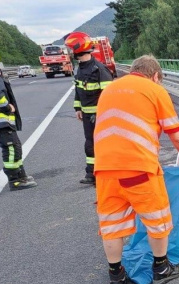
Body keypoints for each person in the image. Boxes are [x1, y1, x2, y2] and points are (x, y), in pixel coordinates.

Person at [93, 55, 179, 284]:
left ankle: (116, 276)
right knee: (158, 220)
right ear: (155, 76)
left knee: (112, 226)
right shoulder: (154, 91)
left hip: (104, 170)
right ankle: (161, 268)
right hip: (138, 169)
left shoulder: (109, 90)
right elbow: (177, 135)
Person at [0, 41, 37, 191]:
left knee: (14, 146)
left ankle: (21, 175)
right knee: (11, 147)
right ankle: (15, 180)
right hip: (0, 117)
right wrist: (7, 107)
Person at [65, 32, 114, 185]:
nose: (69, 52)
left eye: (71, 49)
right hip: (87, 115)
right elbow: (78, 90)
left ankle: (107, 172)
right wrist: (77, 108)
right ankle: (91, 173)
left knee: (102, 143)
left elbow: (110, 96)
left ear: (78, 48)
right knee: (90, 144)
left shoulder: (99, 69)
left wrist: (102, 114)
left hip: (100, 115)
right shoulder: (80, 68)